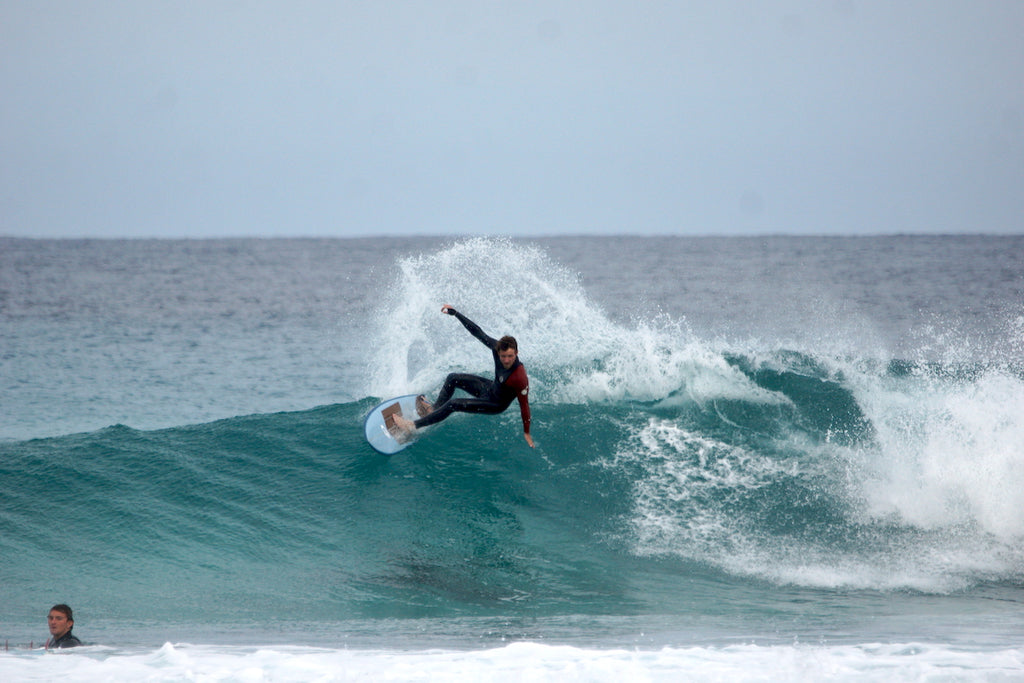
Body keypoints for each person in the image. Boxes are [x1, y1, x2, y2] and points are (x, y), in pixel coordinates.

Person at [393, 305, 534, 447]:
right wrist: (456, 314)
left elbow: (524, 405)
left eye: (510, 356)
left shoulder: (519, 377)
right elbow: (478, 333)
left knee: (454, 404)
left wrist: (526, 432)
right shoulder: (496, 347)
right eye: (503, 356)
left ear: (517, 353)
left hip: (495, 404)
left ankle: (412, 426)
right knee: (453, 378)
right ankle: (433, 410)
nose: (506, 360)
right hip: (491, 388)